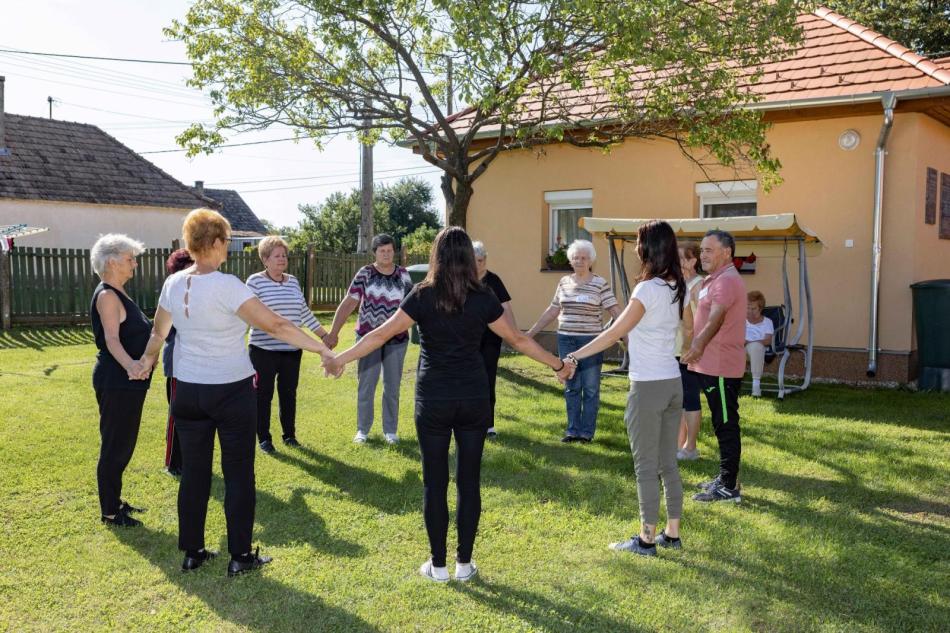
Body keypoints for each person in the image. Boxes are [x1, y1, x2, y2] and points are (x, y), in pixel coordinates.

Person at [323, 227, 573, 582]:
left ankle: (438, 566)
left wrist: (340, 358)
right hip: (473, 398)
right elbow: (517, 339)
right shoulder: (484, 296)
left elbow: (379, 334)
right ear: (470, 259)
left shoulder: (421, 295)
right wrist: (559, 365)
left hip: (434, 399)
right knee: (469, 483)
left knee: (434, 483)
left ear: (437, 256)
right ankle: (464, 565)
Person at [134, 208, 335, 576]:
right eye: (226, 240)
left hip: (189, 392)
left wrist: (146, 361)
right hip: (229, 392)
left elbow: (157, 333)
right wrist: (321, 348)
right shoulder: (227, 285)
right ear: (212, 243)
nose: (229, 247)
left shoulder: (174, 283)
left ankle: (193, 551)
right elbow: (274, 325)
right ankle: (241, 557)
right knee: (239, 473)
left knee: (195, 472)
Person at [561, 221, 688, 556]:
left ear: (648, 248)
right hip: (672, 382)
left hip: (648, 388)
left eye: (638, 242)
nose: (635, 247)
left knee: (647, 465)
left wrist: (574, 354)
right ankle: (671, 535)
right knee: (667, 463)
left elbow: (615, 330)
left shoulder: (647, 290)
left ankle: (646, 539)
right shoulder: (676, 285)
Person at [526, 239, 621, 443]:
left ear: (590, 261)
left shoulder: (600, 283)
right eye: (576, 257)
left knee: (591, 387)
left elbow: (615, 310)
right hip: (566, 340)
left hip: (591, 342)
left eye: (583, 258)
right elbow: (552, 310)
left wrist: (628, 334)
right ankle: (572, 430)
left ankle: (587, 433)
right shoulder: (564, 283)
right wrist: (529, 334)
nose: (579, 261)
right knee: (571, 385)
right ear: (571, 260)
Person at [325, 234, 413, 444]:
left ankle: (390, 431)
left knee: (392, 386)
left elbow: (413, 306)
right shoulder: (365, 274)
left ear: (394, 251)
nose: (386, 254)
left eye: (390, 250)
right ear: (374, 253)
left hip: (397, 339)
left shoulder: (403, 275)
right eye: (382, 251)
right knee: (366, 384)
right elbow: (348, 303)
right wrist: (334, 332)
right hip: (367, 338)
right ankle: (362, 430)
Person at [90, 234, 152, 528]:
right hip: (117, 380)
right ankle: (111, 512)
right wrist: (132, 366)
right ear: (112, 261)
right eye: (130, 259)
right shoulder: (107, 296)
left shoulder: (120, 293)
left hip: (128, 381)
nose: (135, 264)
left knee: (123, 443)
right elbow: (112, 341)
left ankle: (114, 501)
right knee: (115, 445)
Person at [247, 236, 332, 453]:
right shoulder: (255, 282)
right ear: (265, 259)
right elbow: (251, 314)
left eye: (284, 255)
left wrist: (324, 335)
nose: (282, 259)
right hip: (262, 350)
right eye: (277, 256)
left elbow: (303, 312)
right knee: (262, 395)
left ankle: (289, 436)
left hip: (292, 351)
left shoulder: (292, 281)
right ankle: (264, 438)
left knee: (288, 393)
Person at [682, 230, 747, 503]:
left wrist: (697, 345)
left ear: (726, 253)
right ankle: (725, 477)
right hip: (711, 364)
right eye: (703, 250)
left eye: (709, 250)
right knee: (721, 423)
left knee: (725, 423)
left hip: (720, 365)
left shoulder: (727, 281)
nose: (703, 255)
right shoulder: (716, 279)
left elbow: (716, 318)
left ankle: (728, 486)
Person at [473, 240, 516, 439]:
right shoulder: (462, 280)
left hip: (491, 340)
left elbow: (506, 308)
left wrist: (514, 334)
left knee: (488, 380)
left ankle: (488, 425)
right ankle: (469, 422)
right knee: (468, 380)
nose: (478, 265)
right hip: (467, 340)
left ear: (485, 260)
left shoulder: (494, 281)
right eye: (474, 261)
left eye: (481, 260)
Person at [163, 248, 194, 477]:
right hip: (178, 362)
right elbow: (164, 330)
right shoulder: (173, 290)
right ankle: (173, 463)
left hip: (198, 364)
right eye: (187, 266)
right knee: (177, 414)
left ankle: (191, 460)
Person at [675, 241, 704, 460]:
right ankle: (679, 445)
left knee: (690, 398)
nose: (677, 262)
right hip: (673, 351)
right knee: (678, 400)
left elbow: (700, 323)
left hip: (689, 352)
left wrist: (693, 350)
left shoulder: (699, 285)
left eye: (682, 258)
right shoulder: (678, 284)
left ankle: (691, 447)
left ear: (693, 260)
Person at [745, 290, 774, 397]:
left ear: (760, 308)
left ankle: (756, 386)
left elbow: (767, 340)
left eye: (753, 308)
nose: (749, 311)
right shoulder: (740, 320)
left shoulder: (767, 322)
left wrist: (751, 341)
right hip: (742, 349)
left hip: (759, 349)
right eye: (747, 307)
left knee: (756, 346)